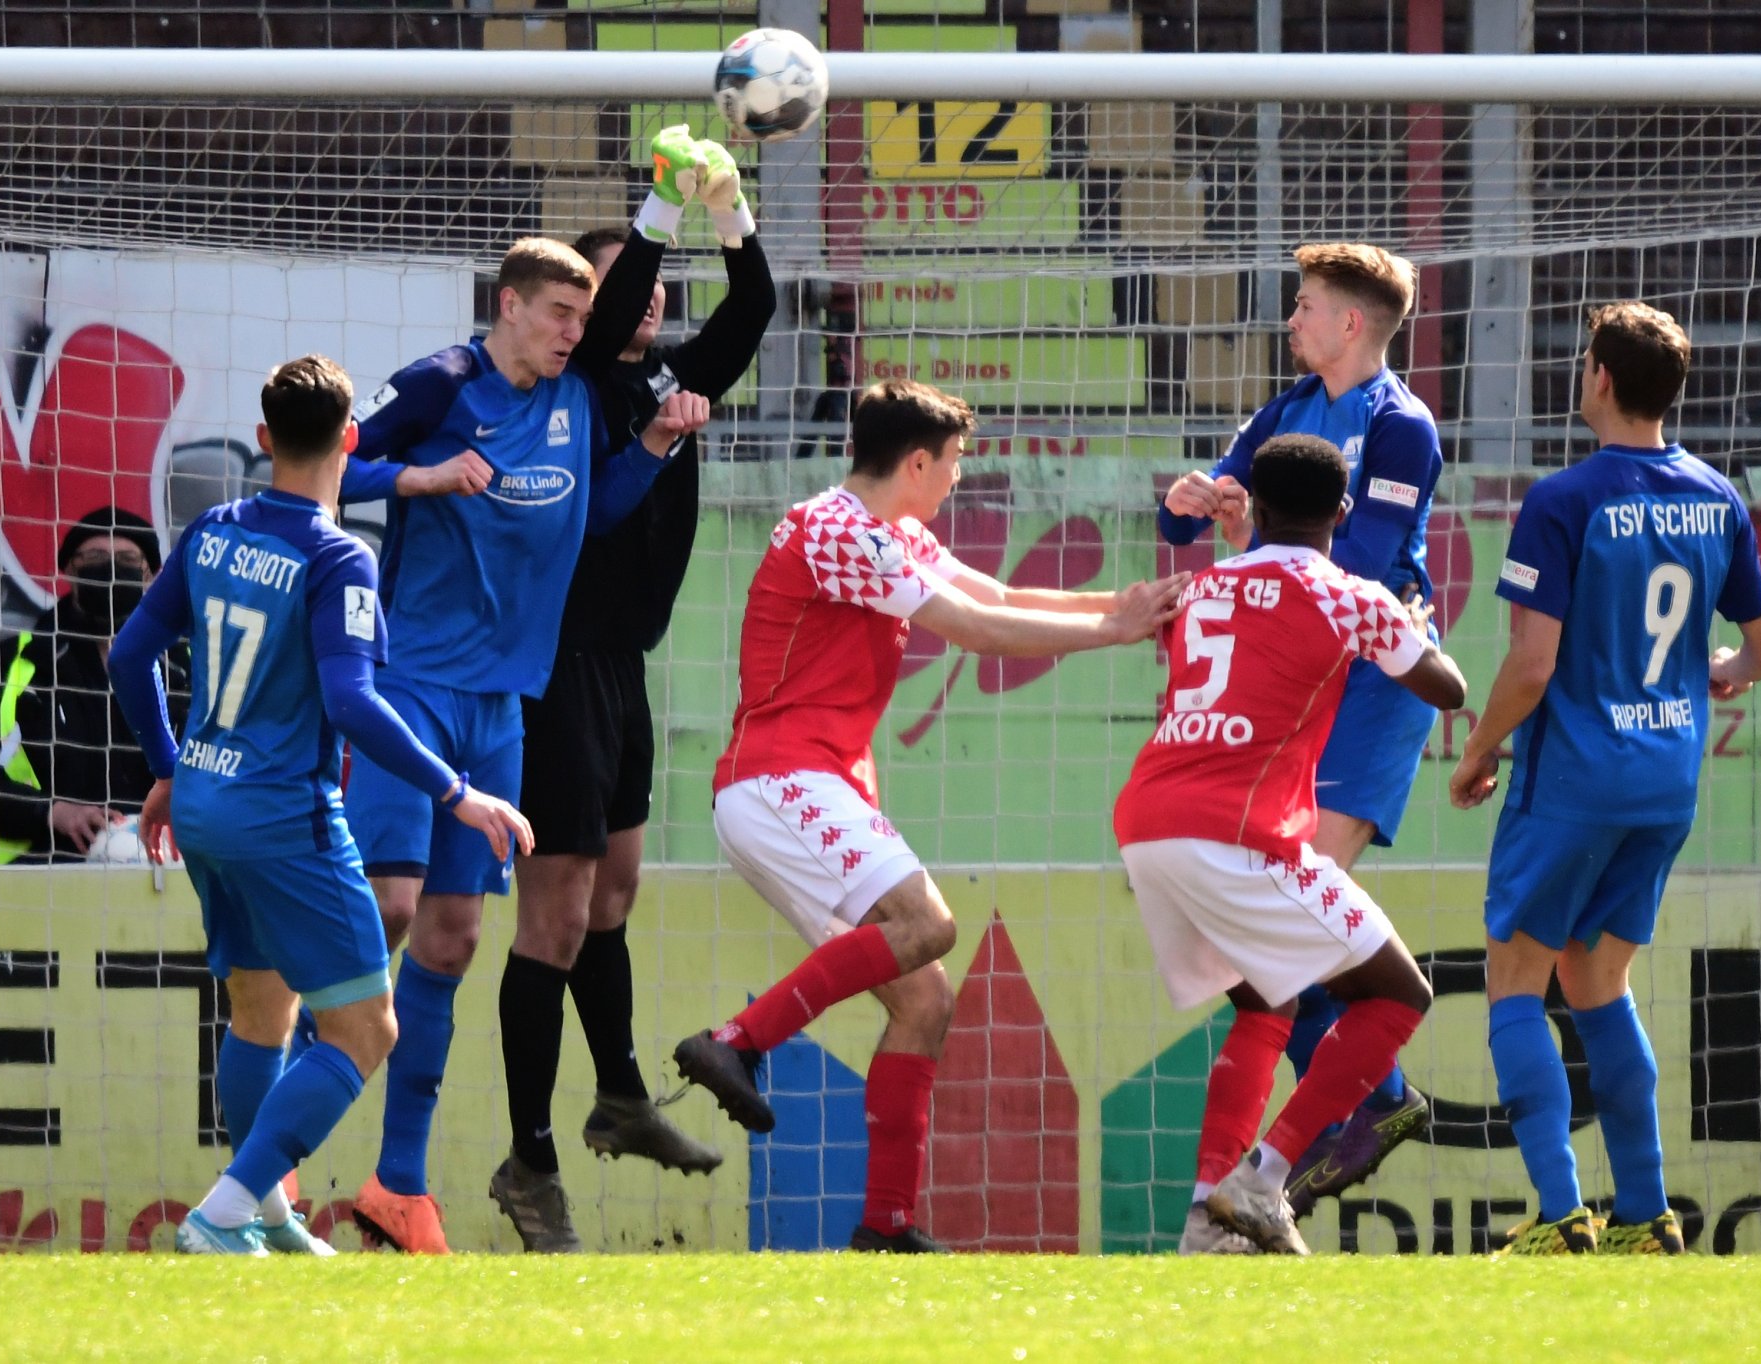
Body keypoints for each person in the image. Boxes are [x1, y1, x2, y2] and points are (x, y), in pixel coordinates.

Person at [671, 379, 1188, 1253]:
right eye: (953, 463)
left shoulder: (888, 531)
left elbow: (991, 595)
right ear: (916, 461)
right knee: (930, 925)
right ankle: (735, 1041)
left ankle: (886, 1225)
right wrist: (1111, 632)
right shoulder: (840, 531)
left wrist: (1122, 612)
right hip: (781, 779)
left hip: (802, 786)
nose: (957, 479)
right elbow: (977, 631)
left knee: (923, 999)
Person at [332, 131, 714, 1254]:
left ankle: (401, 1189)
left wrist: (649, 440)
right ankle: (275, 1120)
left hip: (505, 703)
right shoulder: (443, 384)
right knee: (393, 913)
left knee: (450, 934)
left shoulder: (570, 404)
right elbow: (322, 466)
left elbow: (590, 516)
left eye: (584, 317)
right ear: (510, 303)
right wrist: (419, 473)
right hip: (411, 687)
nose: (575, 332)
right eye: (560, 312)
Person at [106, 355, 534, 1255]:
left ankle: (267, 1215)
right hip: (283, 815)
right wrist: (455, 792)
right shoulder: (338, 556)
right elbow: (349, 704)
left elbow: (126, 657)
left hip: (208, 808)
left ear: (264, 440)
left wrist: (171, 769)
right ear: (350, 439)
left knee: (261, 1011)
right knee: (367, 1026)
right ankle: (222, 1214)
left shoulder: (214, 529)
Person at [1449, 302, 1761, 1256]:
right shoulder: (1715, 495)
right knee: (1599, 983)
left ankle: (1559, 1215)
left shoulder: (1564, 499)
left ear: (1599, 377)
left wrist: (1477, 754)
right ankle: (1647, 1214)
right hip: (1667, 779)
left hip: (1575, 780)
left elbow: (1530, 667)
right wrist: (1718, 672)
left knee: (1514, 977)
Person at [493, 134, 775, 1249]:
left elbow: (750, 310)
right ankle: (532, 1156)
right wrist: (661, 201)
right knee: (554, 915)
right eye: (619, 283)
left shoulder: (670, 380)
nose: (649, 298)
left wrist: (731, 206)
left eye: (656, 282)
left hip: (620, 667)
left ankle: (616, 1093)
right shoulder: (573, 381)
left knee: (612, 895)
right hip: (553, 666)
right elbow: (606, 331)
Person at [1120, 433, 1466, 1256]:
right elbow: (1445, 688)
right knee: (1397, 996)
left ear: (1258, 507)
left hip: (1148, 821)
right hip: (1241, 829)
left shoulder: (1199, 585)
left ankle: (1210, 1218)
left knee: (1263, 1001)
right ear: (1343, 513)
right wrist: (1409, 623)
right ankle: (1266, 1176)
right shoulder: (1351, 594)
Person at [1157, 241, 1441, 1214]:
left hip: (1373, 680)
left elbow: (1361, 558)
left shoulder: (1402, 427)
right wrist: (1192, 499)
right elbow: (1210, 513)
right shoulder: (1286, 410)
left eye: (1307, 305)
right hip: (1301, 680)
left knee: (1297, 924)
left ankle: (1326, 1133)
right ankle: (1363, 1112)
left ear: (1350, 322)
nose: (1292, 320)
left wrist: (1251, 533)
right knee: (1275, 939)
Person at [0, 507, 189, 864]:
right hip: (39, 878)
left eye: (127, 559)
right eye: (94, 558)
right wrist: (50, 812)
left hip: (170, 871)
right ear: (70, 569)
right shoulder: (15, 663)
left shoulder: (188, 667)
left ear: (151, 573)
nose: (110, 568)